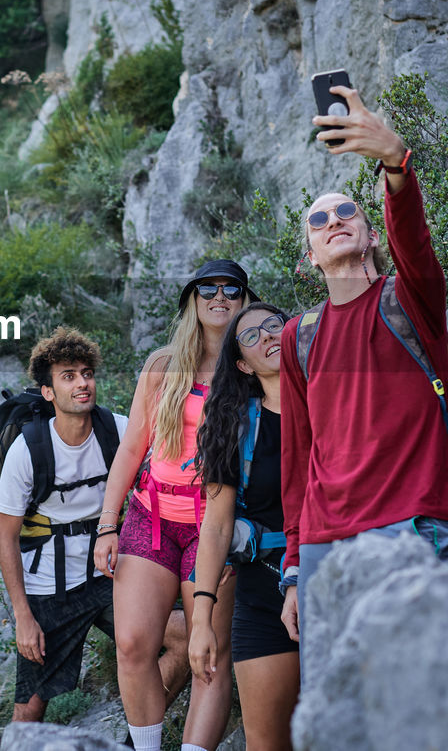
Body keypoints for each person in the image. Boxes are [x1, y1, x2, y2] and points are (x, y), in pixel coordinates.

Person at [278, 84, 448, 680]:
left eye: (346, 213)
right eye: (319, 219)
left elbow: (415, 242)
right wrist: (294, 570)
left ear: (371, 236)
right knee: (341, 709)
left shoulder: (410, 300)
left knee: (415, 689)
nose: (333, 221)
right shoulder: (298, 338)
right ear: (308, 255)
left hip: (408, 522)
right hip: (324, 544)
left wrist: (394, 163)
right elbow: (298, 457)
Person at [96, 260, 260, 751]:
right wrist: (108, 524)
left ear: (244, 300)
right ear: (191, 300)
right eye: (206, 288)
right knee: (132, 645)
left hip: (214, 524)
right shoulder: (163, 365)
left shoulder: (252, 370)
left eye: (231, 289)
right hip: (151, 516)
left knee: (205, 654)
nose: (219, 295)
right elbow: (131, 448)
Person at [0, 327, 188, 723]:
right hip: (49, 586)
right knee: (29, 710)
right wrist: (23, 618)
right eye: (68, 376)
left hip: (109, 575)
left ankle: (139, 737)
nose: (82, 383)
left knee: (185, 636)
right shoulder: (27, 450)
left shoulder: (116, 430)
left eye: (87, 373)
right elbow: (6, 538)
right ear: (48, 392)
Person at [189, 302, 299, 751]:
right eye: (251, 336)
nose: (267, 337)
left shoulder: (332, 406)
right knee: (268, 742)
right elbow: (215, 528)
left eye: (274, 326)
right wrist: (202, 620)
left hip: (337, 581)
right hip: (261, 595)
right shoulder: (233, 426)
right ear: (241, 364)